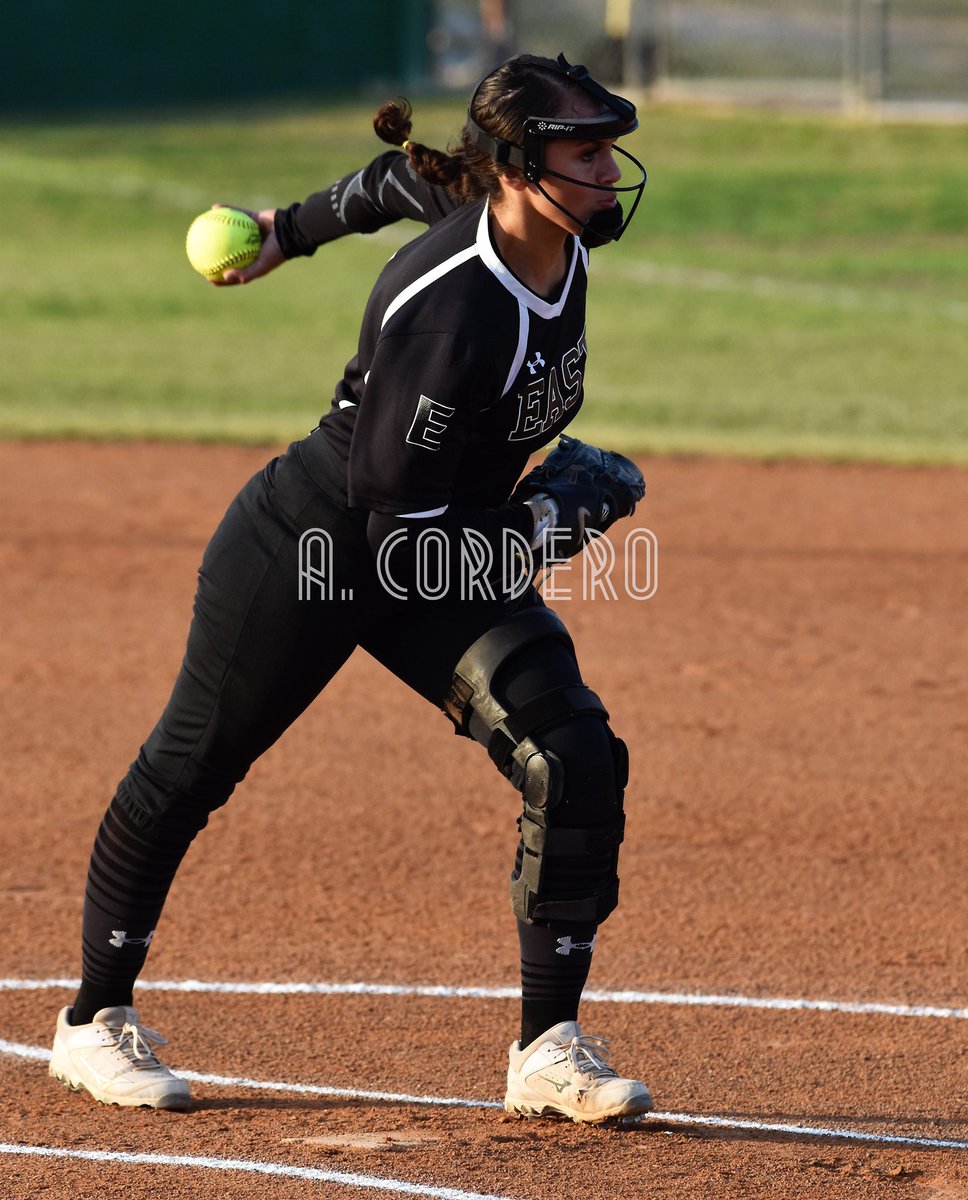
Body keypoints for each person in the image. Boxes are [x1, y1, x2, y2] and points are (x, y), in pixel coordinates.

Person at [49, 52, 652, 1125]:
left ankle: (546, 1049)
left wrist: (282, 230)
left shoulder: (532, 226)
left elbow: (390, 183)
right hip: (317, 547)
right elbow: (397, 540)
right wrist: (549, 522)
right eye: (586, 152)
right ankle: (93, 1022)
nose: (609, 171)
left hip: (434, 534)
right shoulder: (449, 316)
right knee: (191, 766)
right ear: (517, 169)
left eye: (609, 147)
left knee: (574, 756)